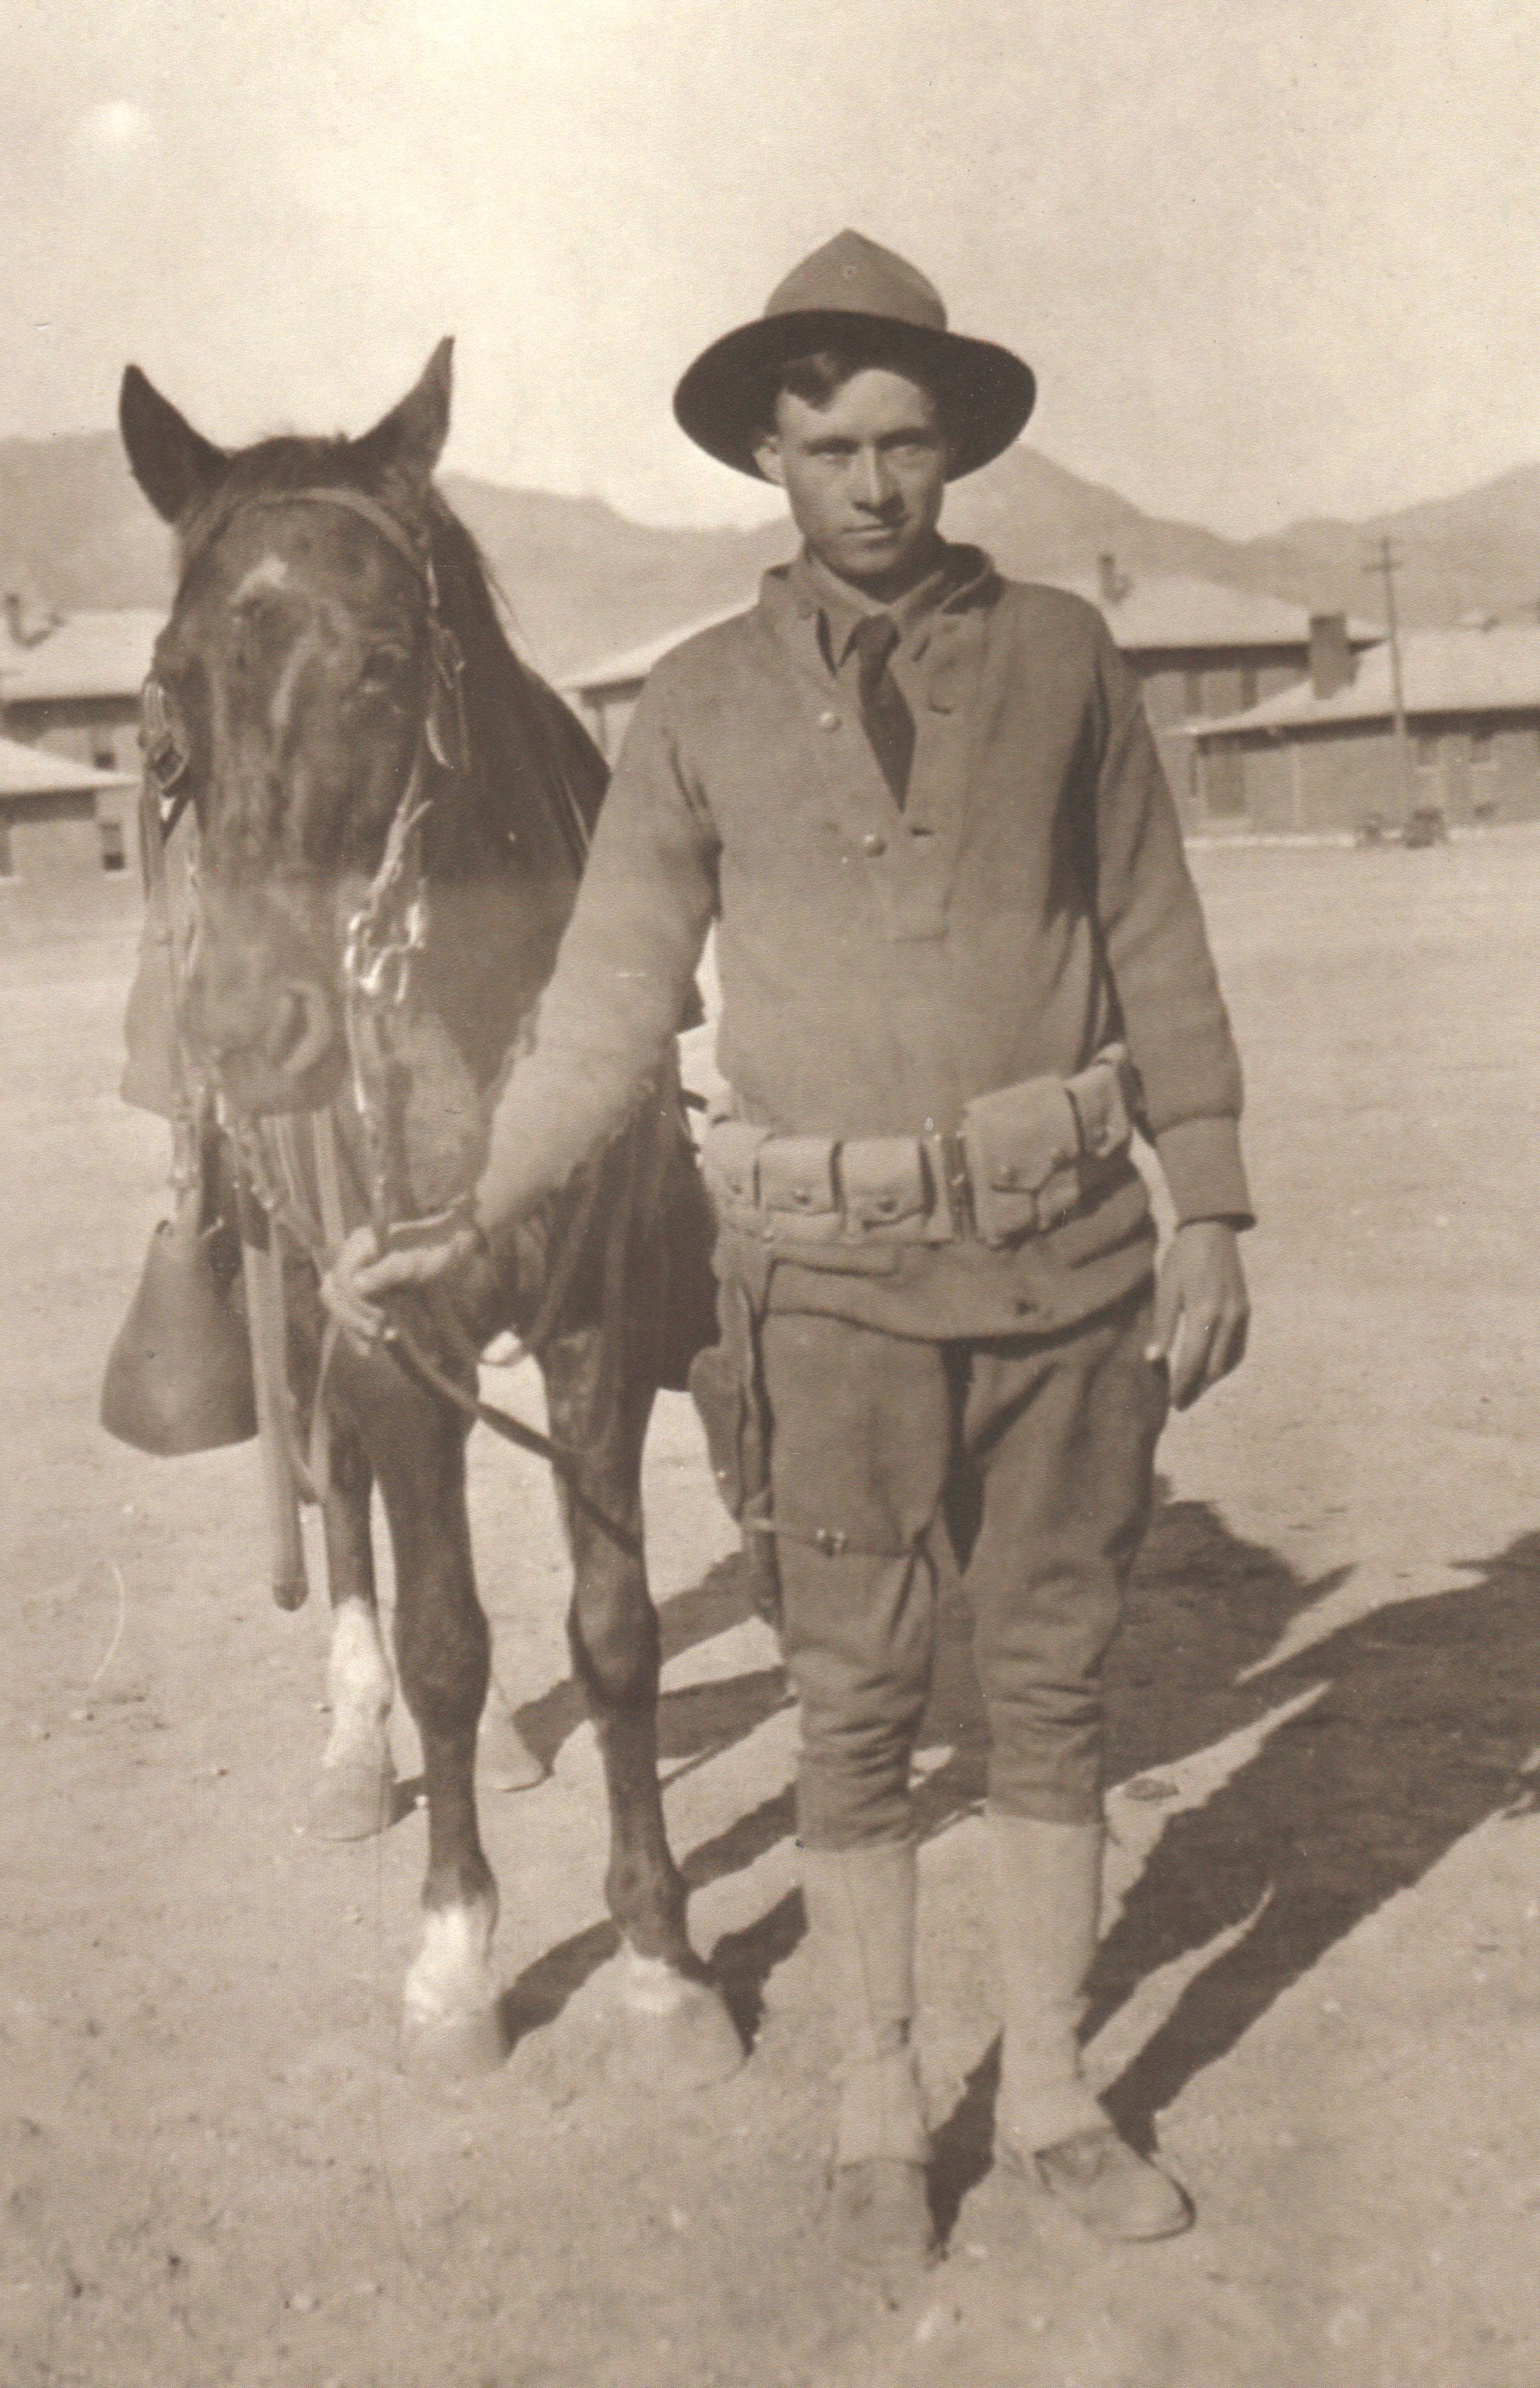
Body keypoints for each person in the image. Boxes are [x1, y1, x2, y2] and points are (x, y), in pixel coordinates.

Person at [324, 230, 1251, 2273]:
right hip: (822, 1295)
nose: (874, 483)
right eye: (832, 447)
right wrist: (474, 1213)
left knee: (1048, 1687)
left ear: (956, 449)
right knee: (851, 1700)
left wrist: (1212, 1202)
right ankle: (874, 2102)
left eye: (907, 443)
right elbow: (604, 1001)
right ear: (770, 454)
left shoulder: (1069, 661)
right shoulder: (697, 703)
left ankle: (1052, 2093)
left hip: (1067, 1269)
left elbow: (1156, 936)